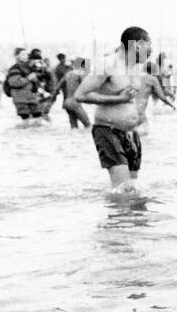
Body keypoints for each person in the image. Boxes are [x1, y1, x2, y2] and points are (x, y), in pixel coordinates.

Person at [74, 26, 150, 191]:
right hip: (108, 130)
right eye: (147, 45)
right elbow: (80, 94)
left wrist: (140, 119)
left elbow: (132, 100)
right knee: (122, 190)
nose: (149, 50)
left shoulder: (136, 67)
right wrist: (118, 99)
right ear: (136, 45)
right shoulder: (107, 64)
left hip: (131, 133)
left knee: (133, 190)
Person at [49, 57, 92, 129]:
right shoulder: (80, 74)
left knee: (74, 127)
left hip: (66, 103)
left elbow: (57, 88)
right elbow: (86, 87)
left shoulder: (68, 74)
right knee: (88, 126)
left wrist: (52, 99)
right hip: (75, 103)